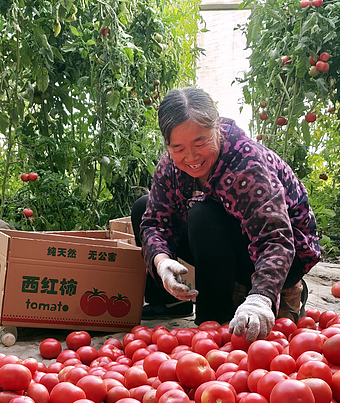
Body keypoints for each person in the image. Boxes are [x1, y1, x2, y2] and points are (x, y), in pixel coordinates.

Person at [131, 87, 321, 341]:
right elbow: (155, 221)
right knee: (143, 207)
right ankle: (170, 300)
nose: (191, 157)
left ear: (217, 128)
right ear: (168, 144)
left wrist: (260, 298)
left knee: (203, 214)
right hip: (228, 243)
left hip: (284, 255)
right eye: (178, 148)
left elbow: (275, 238)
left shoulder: (247, 164)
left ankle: (215, 319)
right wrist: (162, 263)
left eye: (200, 142)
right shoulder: (170, 167)